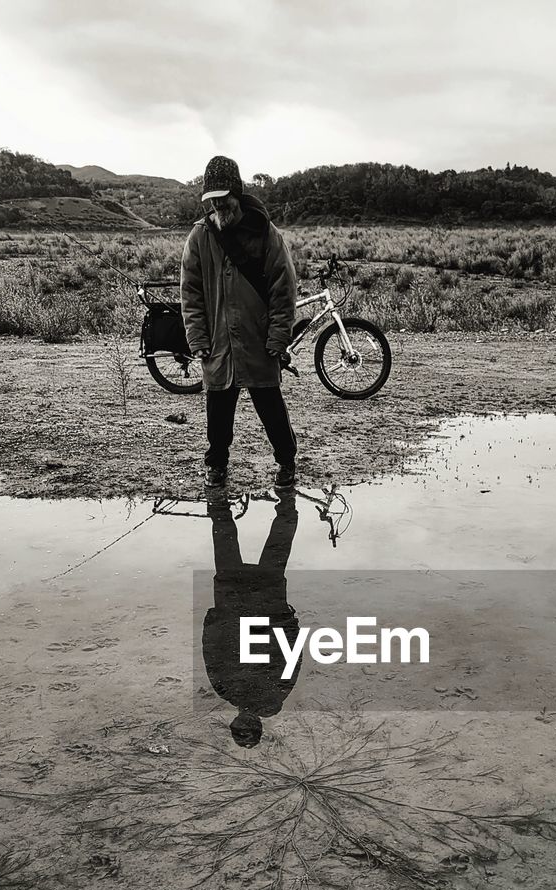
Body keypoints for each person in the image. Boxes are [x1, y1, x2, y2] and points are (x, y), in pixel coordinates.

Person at [180, 156, 298, 490]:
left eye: (223, 198)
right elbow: (190, 293)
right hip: (217, 342)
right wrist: (197, 338)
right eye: (211, 201)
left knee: (271, 409)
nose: (219, 205)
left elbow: (283, 288)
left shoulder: (265, 233)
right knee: (217, 414)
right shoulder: (199, 237)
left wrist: (278, 337)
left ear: (237, 193)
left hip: (258, 340)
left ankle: (287, 463)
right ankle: (216, 466)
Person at [202, 489, 301, 747]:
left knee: (233, 540)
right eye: (248, 725)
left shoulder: (232, 690)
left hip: (244, 603)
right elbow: (292, 654)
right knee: (267, 546)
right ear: (256, 723)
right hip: (255, 603)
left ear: (235, 722)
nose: (243, 720)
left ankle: (284, 502)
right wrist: (289, 623)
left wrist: (213, 620)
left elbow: (213, 652)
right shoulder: (241, 691)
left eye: (240, 725)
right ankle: (285, 501)